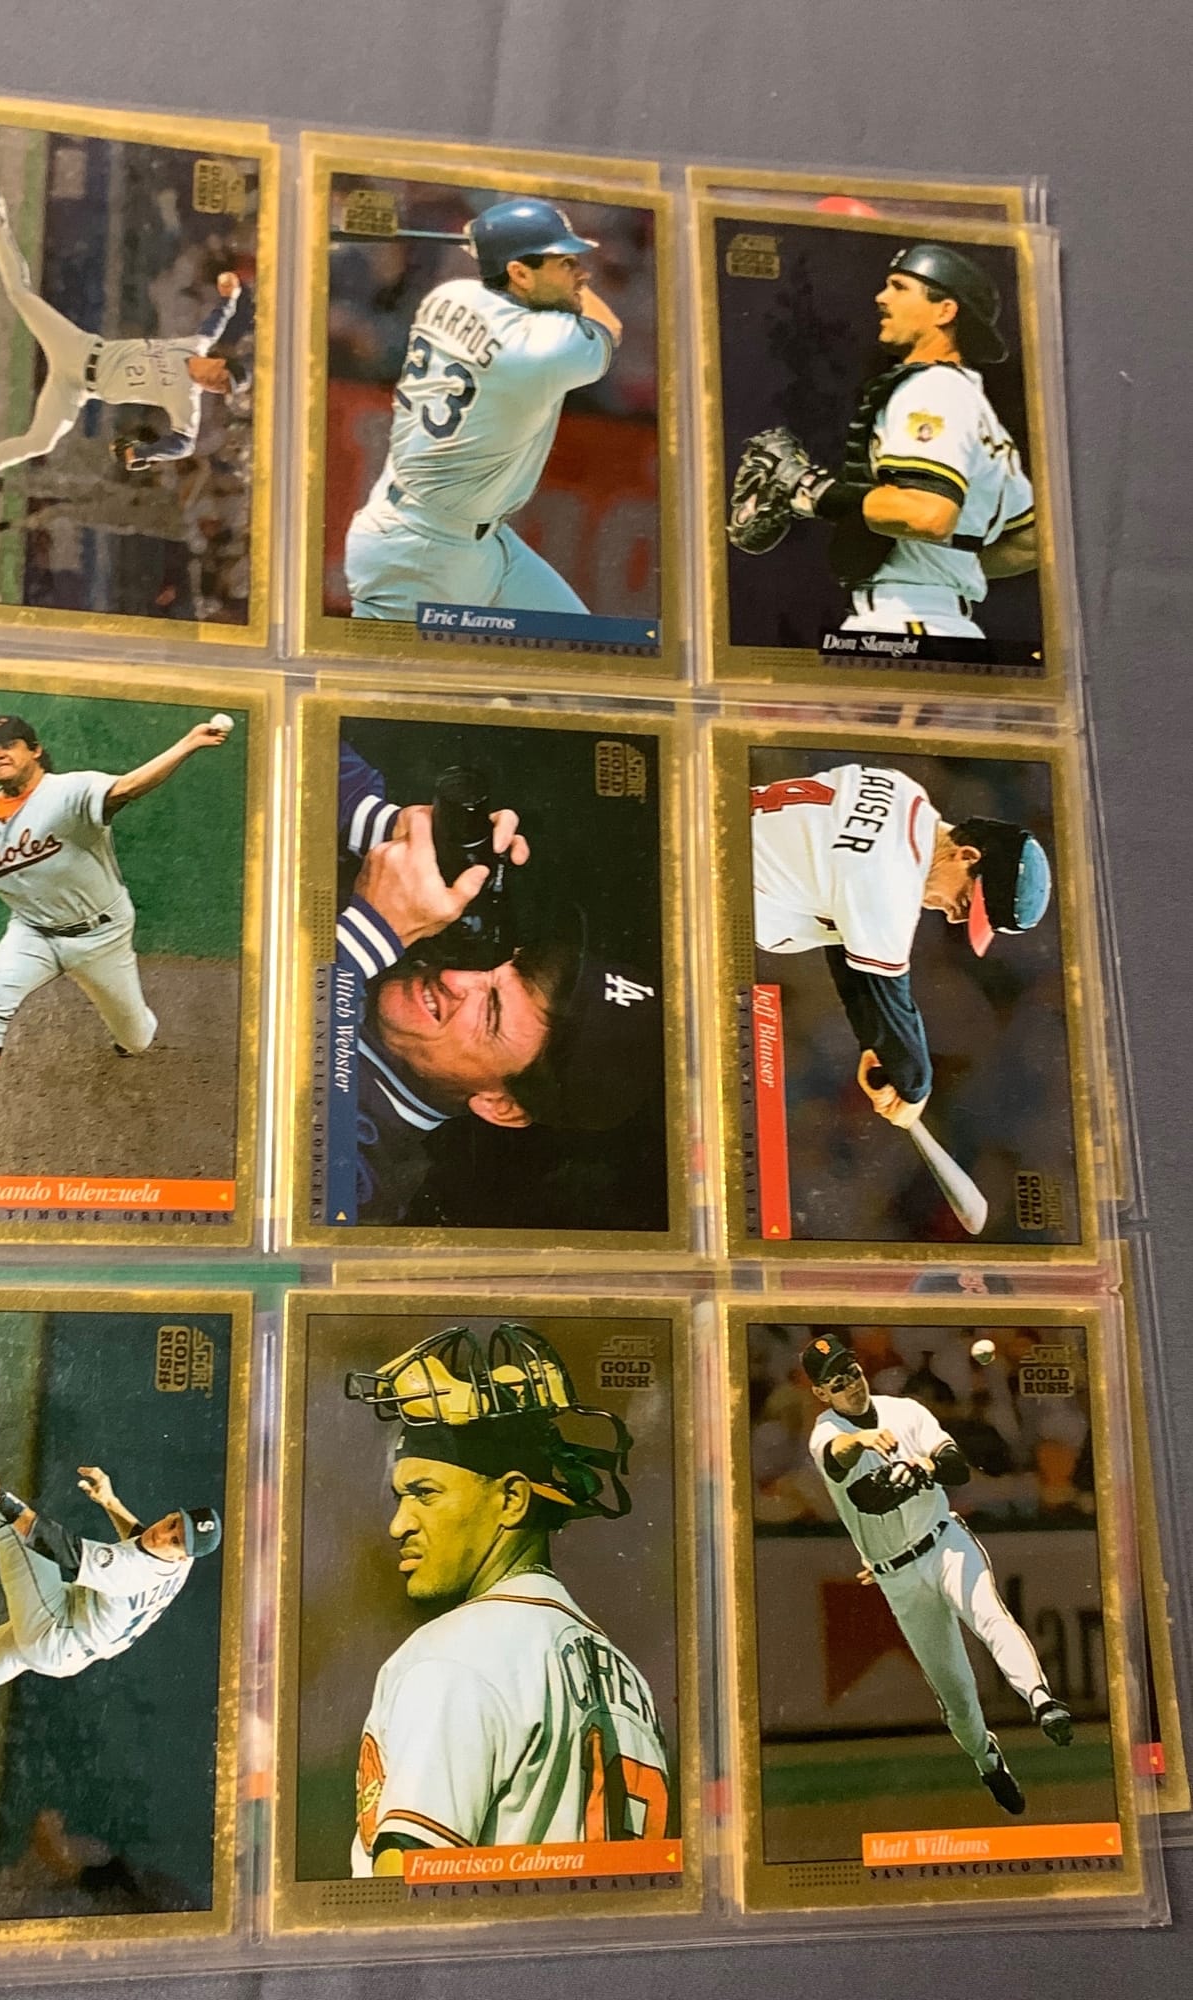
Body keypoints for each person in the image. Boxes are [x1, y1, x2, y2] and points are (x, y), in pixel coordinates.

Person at [343, 1325, 668, 1870]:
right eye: (400, 1497)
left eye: (425, 1493)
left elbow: (408, 1886)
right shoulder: (624, 1673)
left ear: (513, 1499)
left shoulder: (453, 1658)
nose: (399, 1524)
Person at [334, 741, 662, 1222]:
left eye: (490, 1012)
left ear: (501, 1105)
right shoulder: (387, 933)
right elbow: (274, 733)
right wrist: (393, 834)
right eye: (505, 962)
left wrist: (365, 937)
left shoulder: (362, 1185)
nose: (455, 977)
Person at [0, 1389, 220, 1852]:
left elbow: (56, 1546)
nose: (168, 1534)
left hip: (56, 1632)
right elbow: (143, 1539)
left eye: (177, 1539)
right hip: (70, 1640)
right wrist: (110, 1502)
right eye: (173, 1523)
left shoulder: (131, 1571)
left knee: (8, 1523)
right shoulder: (180, 1563)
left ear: (184, 1554)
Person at [0, 708, 230, 1173]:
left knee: (136, 1038)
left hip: (101, 935)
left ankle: (130, 1036)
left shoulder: (70, 792)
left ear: (35, 751)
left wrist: (187, 744)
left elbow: (128, 788)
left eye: (9, 743)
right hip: (30, 934)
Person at [800, 1333, 1073, 1815]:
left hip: (944, 1540)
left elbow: (956, 1466)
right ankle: (987, 1760)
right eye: (837, 1382)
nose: (851, 1385)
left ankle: (1041, 1701)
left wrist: (924, 1465)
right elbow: (840, 1460)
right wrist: (861, 1439)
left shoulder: (905, 1411)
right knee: (957, 1696)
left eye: (852, 1372)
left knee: (989, 1615)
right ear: (822, 1393)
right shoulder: (827, 1430)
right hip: (898, 1577)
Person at [730, 242, 1035, 640]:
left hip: (902, 623)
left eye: (900, 287)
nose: (881, 297)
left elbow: (929, 514)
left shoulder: (933, 389)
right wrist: (948, 567)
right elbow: (1030, 542)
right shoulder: (977, 410)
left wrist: (813, 490)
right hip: (941, 621)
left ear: (945, 311)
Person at [343, 197, 622, 620]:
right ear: (519, 273)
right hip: (416, 553)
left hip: (479, 540)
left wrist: (498, 248)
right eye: (566, 263)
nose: (581, 273)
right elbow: (609, 327)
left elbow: (499, 296)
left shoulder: (448, 294)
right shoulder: (545, 348)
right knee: (384, 669)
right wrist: (496, 247)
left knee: (589, 656)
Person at [749, 761, 1051, 1128]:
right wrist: (914, 1086)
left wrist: (876, 1041)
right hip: (703, 886)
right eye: (965, 901)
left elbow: (855, 956)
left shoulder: (904, 791)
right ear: (967, 855)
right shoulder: (893, 882)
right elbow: (890, 1001)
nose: (953, 917)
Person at [0, 180, 249, 511]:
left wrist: (143, 453)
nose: (215, 386)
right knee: (21, 294)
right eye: (221, 378)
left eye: (220, 389)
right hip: (77, 348)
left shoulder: (187, 399)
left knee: (41, 441)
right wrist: (231, 297)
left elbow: (184, 444)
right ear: (219, 363)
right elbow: (216, 321)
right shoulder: (195, 345)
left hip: (76, 389)